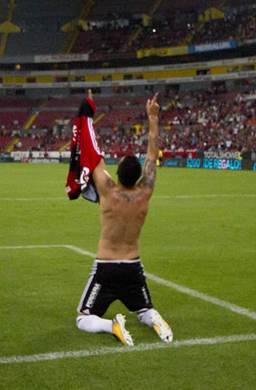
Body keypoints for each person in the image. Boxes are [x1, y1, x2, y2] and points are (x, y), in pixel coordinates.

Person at [74, 93, 172, 346]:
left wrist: (88, 117)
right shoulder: (145, 192)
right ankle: (156, 319)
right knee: (143, 310)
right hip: (132, 266)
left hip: (106, 267)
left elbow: (94, 156)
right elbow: (152, 154)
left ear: (116, 173)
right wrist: (153, 118)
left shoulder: (107, 190)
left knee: (83, 318)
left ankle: (111, 325)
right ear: (140, 176)